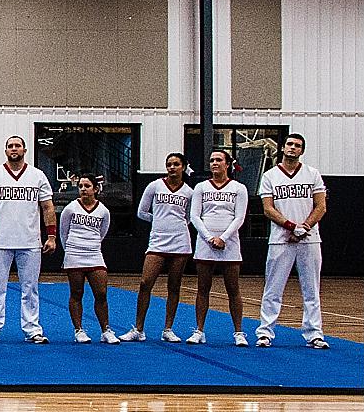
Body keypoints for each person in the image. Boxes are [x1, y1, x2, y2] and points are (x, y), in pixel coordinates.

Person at [0, 135, 56, 343]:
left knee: (30, 288)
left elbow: (47, 207)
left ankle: (33, 329)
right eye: (10, 146)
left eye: (17, 145)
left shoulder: (37, 175)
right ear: (5, 151)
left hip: (30, 242)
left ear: (24, 150)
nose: (14, 149)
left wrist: (52, 236)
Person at [256, 133, 329, 349]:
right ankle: (265, 332)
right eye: (289, 144)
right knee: (273, 288)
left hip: (309, 239)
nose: (292, 148)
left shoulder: (312, 174)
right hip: (281, 239)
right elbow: (268, 208)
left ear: (302, 151)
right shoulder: (270, 176)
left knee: (311, 289)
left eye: (297, 145)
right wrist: (291, 226)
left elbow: (321, 206)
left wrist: (304, 227)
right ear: (282, 148)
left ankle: (314, 333)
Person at [120, 152, 193, 342]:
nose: (172, 167)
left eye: (176, 164)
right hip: (157, 241)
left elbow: (189, 218)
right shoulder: (155, 186)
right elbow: (142, 212)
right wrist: (159, 221)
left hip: (180, 242)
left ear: (183, 167)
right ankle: (138, 329)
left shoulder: (189, 192)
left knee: (174, 286)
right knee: (145, 283)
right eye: (169, 164)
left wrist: (176, 226)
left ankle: (168, 329)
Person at [187, 149, 248, 345]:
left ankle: (239, 332)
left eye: (219, 160)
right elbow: (195, 216)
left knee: (233, 289)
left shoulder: (239, 188)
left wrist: (223, 238)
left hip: (230, 243)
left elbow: (239, 217)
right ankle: (199, 330)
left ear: (227, 164)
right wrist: (209, 238)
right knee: (203, 288)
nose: (214, 163)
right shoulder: (201, 187)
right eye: (212, 160)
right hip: (206, 243)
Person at [59, 174, 119, 343]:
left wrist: (92, 246)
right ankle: (79, 330)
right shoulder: (70, 208)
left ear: (96, 189)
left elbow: (102, 232)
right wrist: (69, 252)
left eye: (87, 186)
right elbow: (63, 232)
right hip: (74, 254)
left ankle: (105, 330)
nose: (83, 189)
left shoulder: (103, 211)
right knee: (76, 293)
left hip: (94, 255)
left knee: (101, 293)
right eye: (80, 186)